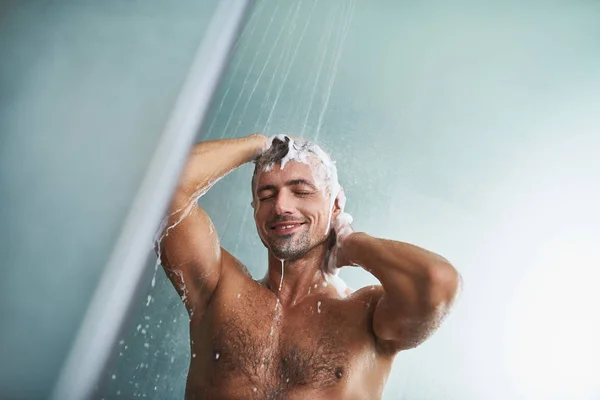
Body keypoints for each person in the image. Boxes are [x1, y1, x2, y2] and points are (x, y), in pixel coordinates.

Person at [157, 133, 461, 400]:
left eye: (301, 191)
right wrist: (258, 145)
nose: (281, 206)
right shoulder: (219, 289)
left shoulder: (368, 315)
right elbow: (163, 187)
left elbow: (437, 282)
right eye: (266, 195)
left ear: (336, 204)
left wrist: (353, 244)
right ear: (254, 209)